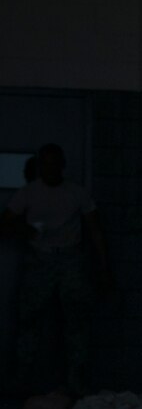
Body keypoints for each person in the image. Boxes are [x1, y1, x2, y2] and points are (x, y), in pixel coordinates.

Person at [4, 143, 109, 395]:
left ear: (62, 165)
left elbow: (95, 231)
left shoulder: (77, 193)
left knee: (77, 322)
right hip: (40, 259)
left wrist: (104, 268)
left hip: (71, 259)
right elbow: (5, 223)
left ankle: (76, 381)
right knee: (29, 320)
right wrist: (24, 230)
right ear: (40, 166)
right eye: (45, 164)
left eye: (54, 163)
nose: (50, 169)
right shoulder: (28, 193)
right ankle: (22, 380)